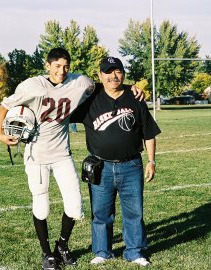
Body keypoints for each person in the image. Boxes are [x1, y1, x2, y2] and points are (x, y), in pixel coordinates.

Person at [0, 48, 144, 270]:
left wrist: (129, 88)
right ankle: (47, 253)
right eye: (57, 66)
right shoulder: (32, 85)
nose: (62, 71)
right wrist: (1, 133)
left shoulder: (80, 82)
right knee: (42, 206)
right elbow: (5, 104)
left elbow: (108, 84)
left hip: (62, 154)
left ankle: (62, 246)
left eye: (66, 66)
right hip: (36, 155)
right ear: (47, 65)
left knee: (75, 208)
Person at [71, 56, 161, 267]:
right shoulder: (90, 100)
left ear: (123, 73)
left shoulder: (135, 98)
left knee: (134, 212)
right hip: (101, 166)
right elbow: (63, 106)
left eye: (117, 71)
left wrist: (151, 161)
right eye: (108, 72)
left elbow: (149, 133)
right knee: (101, 213)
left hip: (131, 165)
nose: (113, 76)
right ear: (100, 76)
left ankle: (134, 251)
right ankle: (102, 251)